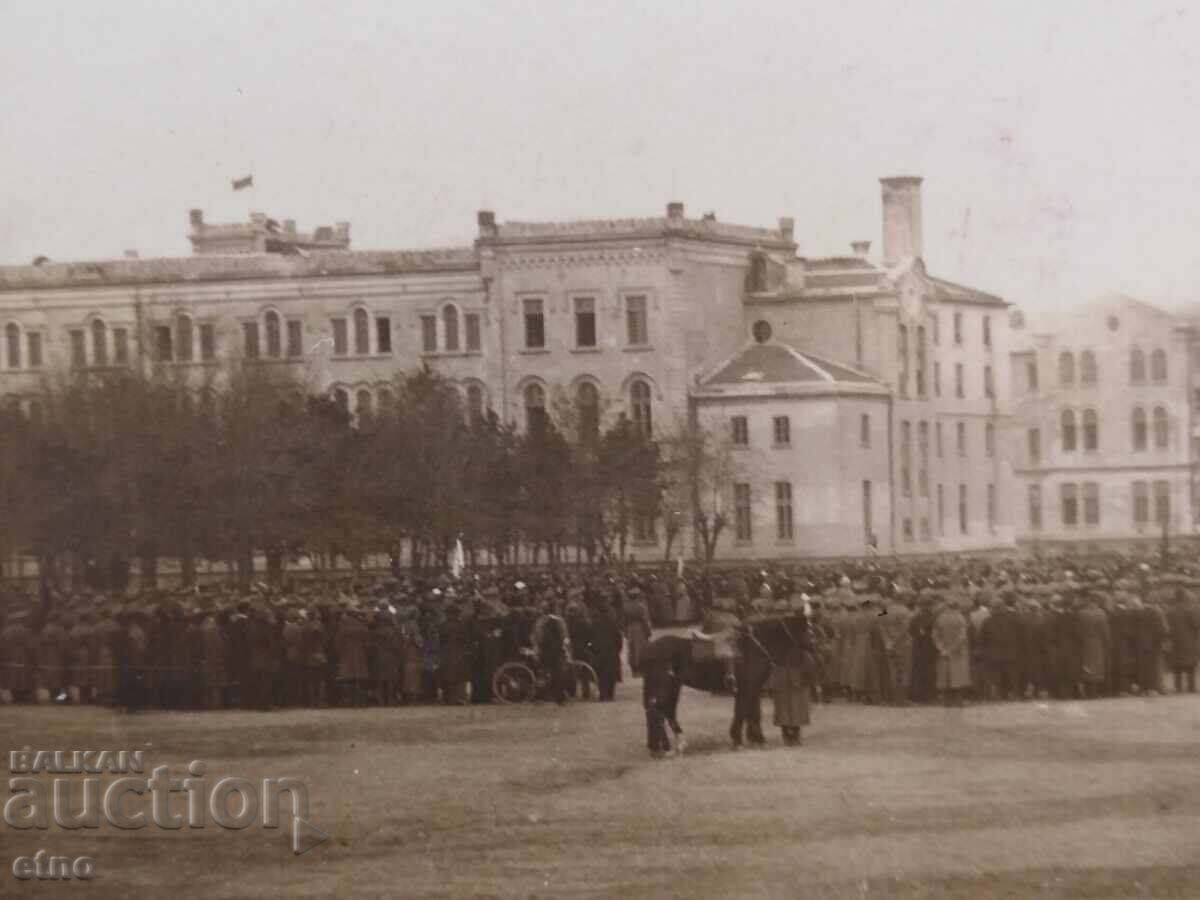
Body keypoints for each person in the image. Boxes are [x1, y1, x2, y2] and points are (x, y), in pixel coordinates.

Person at [771, 600, 812, 745]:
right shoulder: (802, 625)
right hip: (797, 665)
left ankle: (785, 734)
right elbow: (808, 644)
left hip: (780, 665)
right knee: (797, 700)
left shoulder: (775, 625)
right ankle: (795, 734)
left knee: (782, 701)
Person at [932, 592, 971, 706]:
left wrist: (941, 648)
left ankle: (946, 701)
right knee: (958, 676)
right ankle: (959, 700)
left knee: (945, 676)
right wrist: (952, 649)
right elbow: (962, 636)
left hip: (943, 651)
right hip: (957, 652)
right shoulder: (960, 618)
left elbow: (935, 635)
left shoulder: (940, 618)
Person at [1166, 588, 1199, 693]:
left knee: (1177, 666)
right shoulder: (1189, 611)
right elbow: (1195, 625)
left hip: (1175, 641)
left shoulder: (1170, 612)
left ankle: (1178, 688)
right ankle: (1191, 687)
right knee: (1190, 665)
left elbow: (1167, 627)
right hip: (1188, 641)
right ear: (1184, 598)